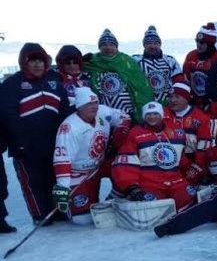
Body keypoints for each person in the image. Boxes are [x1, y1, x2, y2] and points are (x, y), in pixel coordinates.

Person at [0, 43, 72, 224]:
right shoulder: (12, 84)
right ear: (24, 63)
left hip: (53, 142)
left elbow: (63, 109)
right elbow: (8, 114)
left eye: (41, 60)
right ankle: (40, 214)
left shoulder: (55, 81)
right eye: (32, 61)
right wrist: (19, 141)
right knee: (33, 182)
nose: (37, 65)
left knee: (53, 178)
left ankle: (58, 211)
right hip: (25, 144)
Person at [52, 87, 130, 223]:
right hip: (80, 174)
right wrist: (63, 188)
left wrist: (120, 132)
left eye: (95, 103)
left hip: (101, 163)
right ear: (79, 106)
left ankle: (113, 198)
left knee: (126, 165)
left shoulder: (103, 112)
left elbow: (124, 117)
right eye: (89, 104)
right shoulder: (69, 127)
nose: (94, 107)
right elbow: (62, 160)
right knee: (83, 220)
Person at [112, 102, 197, 212]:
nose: (152, 117)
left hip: (176, 182)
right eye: (148, 114)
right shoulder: (136, 133)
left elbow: (181, 160)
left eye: (155, 113)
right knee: (154, 208)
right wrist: (131, 187)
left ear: (161, 115)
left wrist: (196, 172)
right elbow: (126, 162)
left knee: (189, 200)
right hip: (150, 183)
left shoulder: (176, 132)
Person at [84, 28, 154, 121]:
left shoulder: (127, 61)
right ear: (99, 47)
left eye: (111, 44)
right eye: (104, 45)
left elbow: (141, 85)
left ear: (116, 46)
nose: (108, 48)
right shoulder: (92, 62)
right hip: (105, 113)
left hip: (130, 112)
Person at [164, 82, 214, 185]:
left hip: (192, 160)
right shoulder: (162, 114)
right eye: (171, 96)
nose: (173, 100)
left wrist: (198, 165)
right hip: (167, 159)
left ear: (186, 98)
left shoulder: (201, 117)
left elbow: (204, 145)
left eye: (177, 97)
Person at [134, 25, 183, 104]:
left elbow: (179, 82)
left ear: (160, 44)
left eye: (156, 43)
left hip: (168, 103)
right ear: (144, 45)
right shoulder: (136, 60)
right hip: (145, 103)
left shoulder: (170, 60)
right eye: (149, 43)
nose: (153, 46)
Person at [182, 23, 217, 110]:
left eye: (202, 42)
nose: (198, 44)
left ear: (210, 43)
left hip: (214, 103)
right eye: (196, 41)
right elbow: (185, 78)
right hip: (194, 103)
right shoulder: (191, 56)